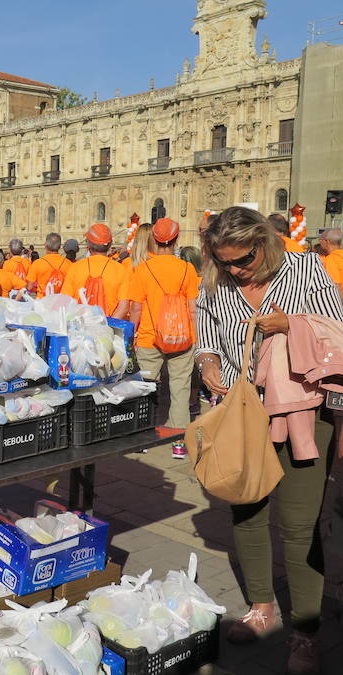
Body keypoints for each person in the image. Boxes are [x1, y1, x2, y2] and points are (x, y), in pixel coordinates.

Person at [197, 206, 343, 674]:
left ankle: (305, 633)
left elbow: (337, 331)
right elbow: (207, 329)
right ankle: (261, 607)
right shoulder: (216, 282)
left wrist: (289, 326)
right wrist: (207, 360)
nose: (236, 270)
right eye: (226, 262)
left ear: (264, 241)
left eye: (243, 260)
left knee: (300, 524)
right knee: (247, 509)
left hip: (303, 410)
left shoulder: (306, 268)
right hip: (243, 410)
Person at [128, 218, 199, 455]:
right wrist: (195, 336)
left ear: (155, 240)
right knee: (180, 387)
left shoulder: (143, 269)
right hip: (182, 337)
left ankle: (142, 436)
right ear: (176, 239)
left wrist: (130, 335)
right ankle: (179, 443)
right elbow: (192, 307)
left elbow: (136, 308)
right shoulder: (187, 269)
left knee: (145, 387)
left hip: (149, 337)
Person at [61, 224, 129, 317]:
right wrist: (107, 328)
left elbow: (65, 302)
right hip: (108, 327)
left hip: (79, 327)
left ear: (88, 245)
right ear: (110, 244)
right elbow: (124, 307)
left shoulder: (75, 267)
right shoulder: (120, 269)